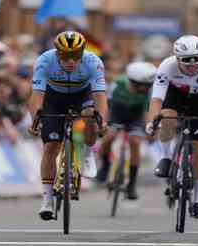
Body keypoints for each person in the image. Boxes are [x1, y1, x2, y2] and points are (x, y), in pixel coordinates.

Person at [145, 35, 198, 220]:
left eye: (197, 59)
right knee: (166, 119)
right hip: (176, 95)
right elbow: (157, 98)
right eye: (186, 60)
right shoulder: (167, 66)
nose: (192, 64)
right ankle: (166, 158)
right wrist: (152, 121)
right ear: (177, 58)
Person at [27, 31, 109, 220]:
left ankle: (88, 155)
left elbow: (100, 97)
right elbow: (37, 95)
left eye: (75, 56)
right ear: (57, 54)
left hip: (83, 95)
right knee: (50, 147)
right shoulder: (44, 61)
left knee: (90, 115)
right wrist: (35, 120)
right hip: (54, 98)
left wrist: (102, 121)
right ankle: (47, 200)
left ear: (82, 53)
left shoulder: (93, 62)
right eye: (65, 56)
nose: (70, 61)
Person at [96, 61, 156, 200]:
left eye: (147, 86)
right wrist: (103, 124)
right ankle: (105, 166)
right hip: (117, 112)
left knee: (135, 142)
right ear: (132, 81)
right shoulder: (118, 84)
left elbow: (148, 111)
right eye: (141, 86)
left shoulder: (150, 90)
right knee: (109, 137)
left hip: (136, 116)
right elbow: (106, 105)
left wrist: (150, 130)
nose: (144, 89)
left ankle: (132, 184)